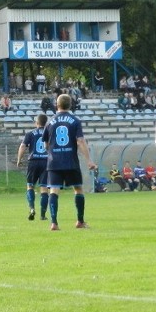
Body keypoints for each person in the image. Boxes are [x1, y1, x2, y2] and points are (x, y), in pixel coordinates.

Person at [41, 94, 97, 230]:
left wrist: (53, 150)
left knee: (54, 190)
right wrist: (89, 160)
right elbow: (80, 141)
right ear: (70, 105)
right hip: (71, 161)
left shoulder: (49, 122)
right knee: (78, 189)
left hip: (54, 162)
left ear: (57, 104)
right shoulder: (75, 121)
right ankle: (80, 221)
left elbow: (45, 145)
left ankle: (54, 223)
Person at [16, 113, 49, 220]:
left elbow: (22, 146)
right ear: (46, 123)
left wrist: (19, 160)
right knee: (44, 188)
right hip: (46, 162)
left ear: (37, 123)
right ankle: (43, 215)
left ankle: (32, 208)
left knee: (30, 186)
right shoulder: (50, 133)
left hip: (33, 162)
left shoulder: (30, 133)